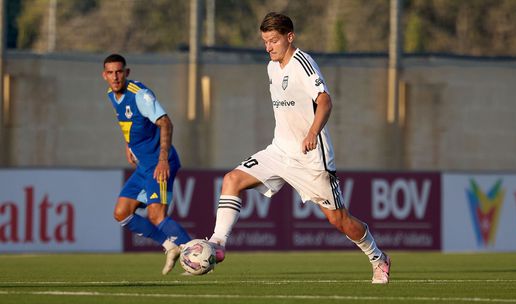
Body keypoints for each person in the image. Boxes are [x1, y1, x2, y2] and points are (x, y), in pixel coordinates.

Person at [208, 12, 391, 284]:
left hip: (311, 157)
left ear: (289, 37)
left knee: (339, 220)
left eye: (273, 41)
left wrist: (312, 132)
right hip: (279, 151)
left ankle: (378, 258)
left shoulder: (303, 64)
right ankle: (217, 244)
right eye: (265, 41)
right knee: (231, 180)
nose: (268, 47)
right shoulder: (271, 67)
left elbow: (325, 101)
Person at [102, 54, 191, 275]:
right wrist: (128, 145)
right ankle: (170, 246)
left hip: (160, 162)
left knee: (156, 215)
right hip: (144, 165)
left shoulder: (140, 95)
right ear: (104, 75)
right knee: (122, 213)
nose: (115, 77)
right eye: (111, 73)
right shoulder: (111, 95)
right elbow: (126, 122)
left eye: (119, 71)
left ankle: (197, 256)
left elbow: (166, 123)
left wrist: (162, 159)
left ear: (127, 72)